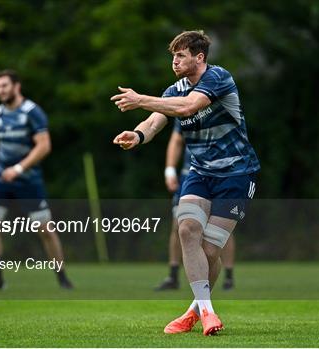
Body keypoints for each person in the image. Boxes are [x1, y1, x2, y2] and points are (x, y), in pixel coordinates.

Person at [111, 30, 259, 336]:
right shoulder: (172, 90)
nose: (175, 61)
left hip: (236, 174)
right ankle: (208, 312)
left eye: (181, 55)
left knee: (209, 251)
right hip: (200, 173)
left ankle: (194, 311)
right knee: (187, 228)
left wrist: (139, 99)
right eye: (173, 56)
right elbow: (154, 120)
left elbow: (189, 107)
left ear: (199, 57)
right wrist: (137, 135)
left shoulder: (218, 78)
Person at [0, 69, 73, 290]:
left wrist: (18, 168)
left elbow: (44, 145)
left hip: (28, 180)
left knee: (45, 229)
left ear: (16, 87)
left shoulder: (31, 112)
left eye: (4, 86)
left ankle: (62, 277)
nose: (1, 90)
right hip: (0, 179)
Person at [155, 119, 236, 291]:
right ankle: (173, 275)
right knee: (180, 226)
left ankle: (228, 275)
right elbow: (176, 139)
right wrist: (169, 169)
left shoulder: (221, 104)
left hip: (222, 176)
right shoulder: (183, 109)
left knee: (220, 228)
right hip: (190, 175)